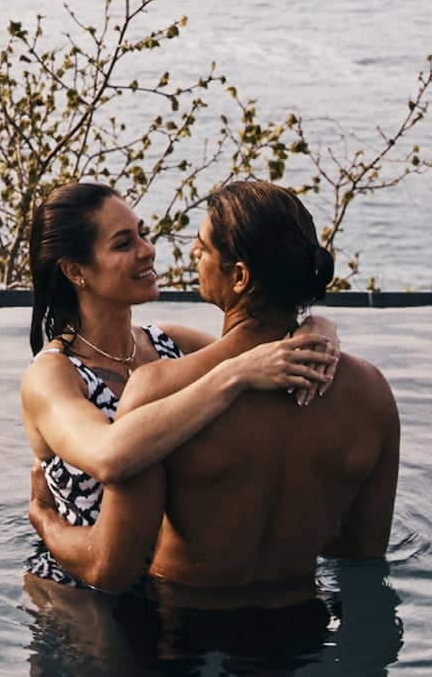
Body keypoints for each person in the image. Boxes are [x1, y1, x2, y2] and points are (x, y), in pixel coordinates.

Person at [27, 180, 399, 601]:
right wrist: (307, 328)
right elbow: (362, 553)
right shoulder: (372, 394)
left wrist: (43, 517)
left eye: (202, 247)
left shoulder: (159, 381)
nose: (178, 252)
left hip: (178, 633)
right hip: (301, 623)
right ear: (75, 271)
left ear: (239, 277)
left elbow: (111, 565)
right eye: (124, 243)